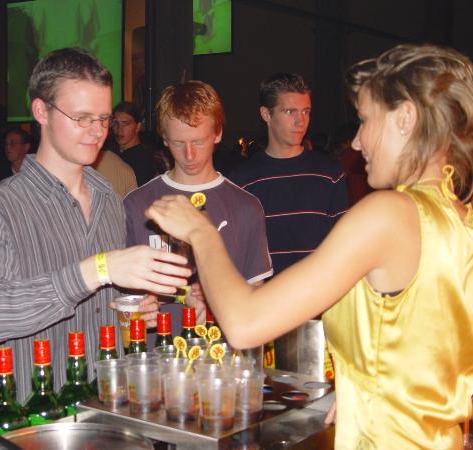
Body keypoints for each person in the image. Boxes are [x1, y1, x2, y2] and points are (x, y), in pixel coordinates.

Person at [147, 44, 473, 449]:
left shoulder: (389, 214)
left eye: (364, 121)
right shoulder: (458, 214)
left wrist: (201, 232)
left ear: (405, 118)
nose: (357, 143)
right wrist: (368, 391)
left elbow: (245, 324)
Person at [0, 48, 189, 403]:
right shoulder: (0, 208)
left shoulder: (108, 198)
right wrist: (96, 269)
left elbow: (103, 298)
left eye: (104, 119)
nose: (97, 132)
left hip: (110, 404)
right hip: (41, 412)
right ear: (41, 111)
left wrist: (132, 309)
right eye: (82, 118)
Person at [124, 80, 272, 345]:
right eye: (178, 142)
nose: (189, 154)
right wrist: (137, 309)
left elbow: (256, 296)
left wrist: (218, 297)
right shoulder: (137, 204)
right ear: (164, 139)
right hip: (156, 357)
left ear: (217, 134)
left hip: (224, 357)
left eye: (198, 141)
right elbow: (123, 295)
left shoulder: (246, 207)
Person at [230, 73, 348, 274]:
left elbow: (343, 245)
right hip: (265, 291)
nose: (300, 121)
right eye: (289, 112)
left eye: (306, 111)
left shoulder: (330, 174)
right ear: (266, 114)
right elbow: (237, 251)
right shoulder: (243, 180)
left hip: (320, 289)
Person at [112, 101, 157, 186]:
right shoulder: (109, 151)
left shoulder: (144, 161)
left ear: (138, 127)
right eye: (115, 123)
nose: (119, 129)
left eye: (126, 124)